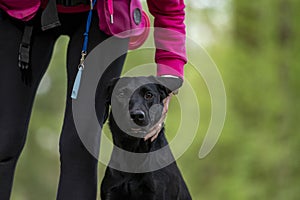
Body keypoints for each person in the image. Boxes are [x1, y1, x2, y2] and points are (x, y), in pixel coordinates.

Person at [0, 0, 186, 199]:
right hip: (23, 9)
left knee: (80, 146)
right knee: (4, 139)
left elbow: (169, 7)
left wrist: (169, 78)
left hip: (104, 14)